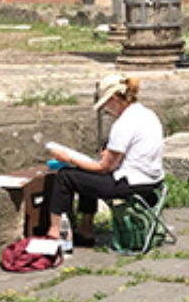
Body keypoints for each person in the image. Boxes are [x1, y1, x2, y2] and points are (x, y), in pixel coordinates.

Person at [46, 73, 164, 250]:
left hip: (130, 183)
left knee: (65, 177)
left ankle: (56, 231)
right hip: (152, 179)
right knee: (85, 173)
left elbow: (104, 168)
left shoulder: (124, 123)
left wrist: (69, 158)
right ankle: (85, 228)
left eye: (107, 105)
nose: (107, 110)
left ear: (115, 99)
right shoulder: (148, 114)